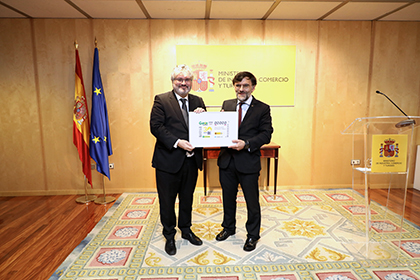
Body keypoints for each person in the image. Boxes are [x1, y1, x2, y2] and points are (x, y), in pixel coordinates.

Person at [150, 64, 206, 256]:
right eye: (179, 80)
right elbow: (156, 127)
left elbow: (204, 129)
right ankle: (169, 235)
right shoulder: (161, 100)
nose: (183, 83)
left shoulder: (198, 100)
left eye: (187, 80)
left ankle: (186, 229)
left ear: (192, 82)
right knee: (167, 201)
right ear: (173, 81)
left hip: (191, 161)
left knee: (187, 199)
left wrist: (204, 118)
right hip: (168, 162)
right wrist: (177, 142)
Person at [215, 71, 273, 252]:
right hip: (226, 161)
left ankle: (252, 235)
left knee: (251, 201)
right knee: (227, 198)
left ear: (253, 87)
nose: (241, 89)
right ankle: (228, 228)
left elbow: (266, 134)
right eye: (238, 85)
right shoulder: (227, 104)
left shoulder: (262, 108)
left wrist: (246, 144)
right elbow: (218, 126)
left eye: (245, 85)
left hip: (248, 162)